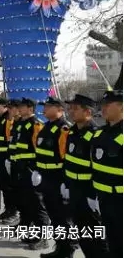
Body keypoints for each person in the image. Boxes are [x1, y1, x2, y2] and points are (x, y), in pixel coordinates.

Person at [62, 94, 110, 258]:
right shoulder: (72, 132)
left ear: (88, 112)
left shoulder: (96, 135)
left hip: (88, 193)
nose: (70, 111)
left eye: (75, 109)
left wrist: (94, 194)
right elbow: (69, 160)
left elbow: (99, 169)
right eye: (70, 108)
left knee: (97, 236)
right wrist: (66, 184)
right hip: (74, 190)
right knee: (82, 232)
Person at [33, 97, 77, 256]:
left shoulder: (63, 128)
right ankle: (60, 248)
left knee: (63, 217)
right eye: (44, 106)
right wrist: (37, 170)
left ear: (59, 109)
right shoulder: (46, 127)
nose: (44, 109)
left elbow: (67, 158)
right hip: (46, 178)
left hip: (58, 179)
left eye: (48, 106)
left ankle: (68, 249)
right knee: (54, 215)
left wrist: (66, 182)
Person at [11, 98, 50, 249]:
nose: (19, 109)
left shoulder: (35, 125)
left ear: (30, 108)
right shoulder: (21, 123)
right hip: (20, 168)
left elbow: (38, 149)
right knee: (26, 203)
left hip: (31, 170)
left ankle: (43, 238)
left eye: (22, 106)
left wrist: (36, 170)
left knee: (37, 205)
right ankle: (30, 231)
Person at [89, 90, 123, 258]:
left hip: (120, 200)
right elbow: (94, 166)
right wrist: (93, 194)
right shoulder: (99, 133)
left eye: (108, 105)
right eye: (102, 105)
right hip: (104, 198)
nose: (103, 108)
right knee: (112, 240)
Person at [0, 98, 17, 222]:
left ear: (4, 107)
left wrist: (8, 158)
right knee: (3, 185)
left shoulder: (8, 120)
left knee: (8, 186)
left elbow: (9, 141)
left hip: (5, 158)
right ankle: (8, 210)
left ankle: (13, 212)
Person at [5, 99, 23, 225]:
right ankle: (13, 213)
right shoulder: (14, 123)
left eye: (11, 108)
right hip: (13, 161)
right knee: (13, 189)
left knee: (21, 192)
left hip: (22, 164)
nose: (9, 110)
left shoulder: (24, 123)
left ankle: (17, 215)